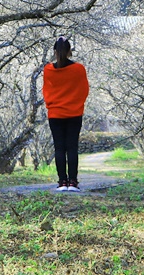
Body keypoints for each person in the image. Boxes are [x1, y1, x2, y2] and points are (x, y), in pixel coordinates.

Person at [42, 36, 89, 192]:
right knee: (72, 148)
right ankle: (73, 182)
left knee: (59, 148)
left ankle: (62, 182)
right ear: (69, 51)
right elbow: (84, 90)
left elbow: (46, 91)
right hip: (74, 113)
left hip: (55, 114)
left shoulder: (48, 70)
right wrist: (76, 104)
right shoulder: (78, 69)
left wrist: (52, 105)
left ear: (55, 51)